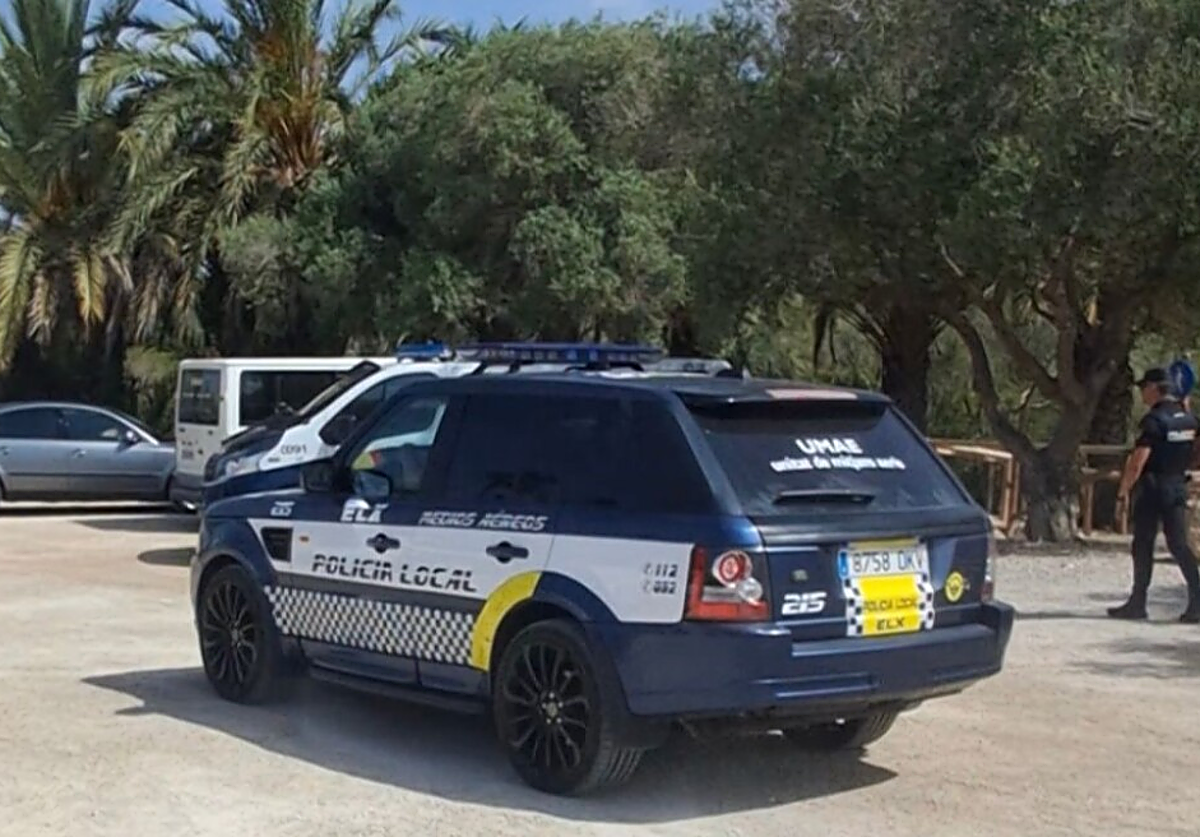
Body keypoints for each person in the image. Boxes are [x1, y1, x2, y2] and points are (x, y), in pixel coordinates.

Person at [1109, 368, 1200, 623]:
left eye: (1143, 388)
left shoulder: (1154, 421)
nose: (1141, 394)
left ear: (1155, 388)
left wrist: (1123, 491)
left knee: (1143, 544)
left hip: (1152, 487)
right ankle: (1197, 600)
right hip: (1176, 485)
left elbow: (1138, 462)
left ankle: (1137, 603)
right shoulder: (1188, 420)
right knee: (1180, 545)